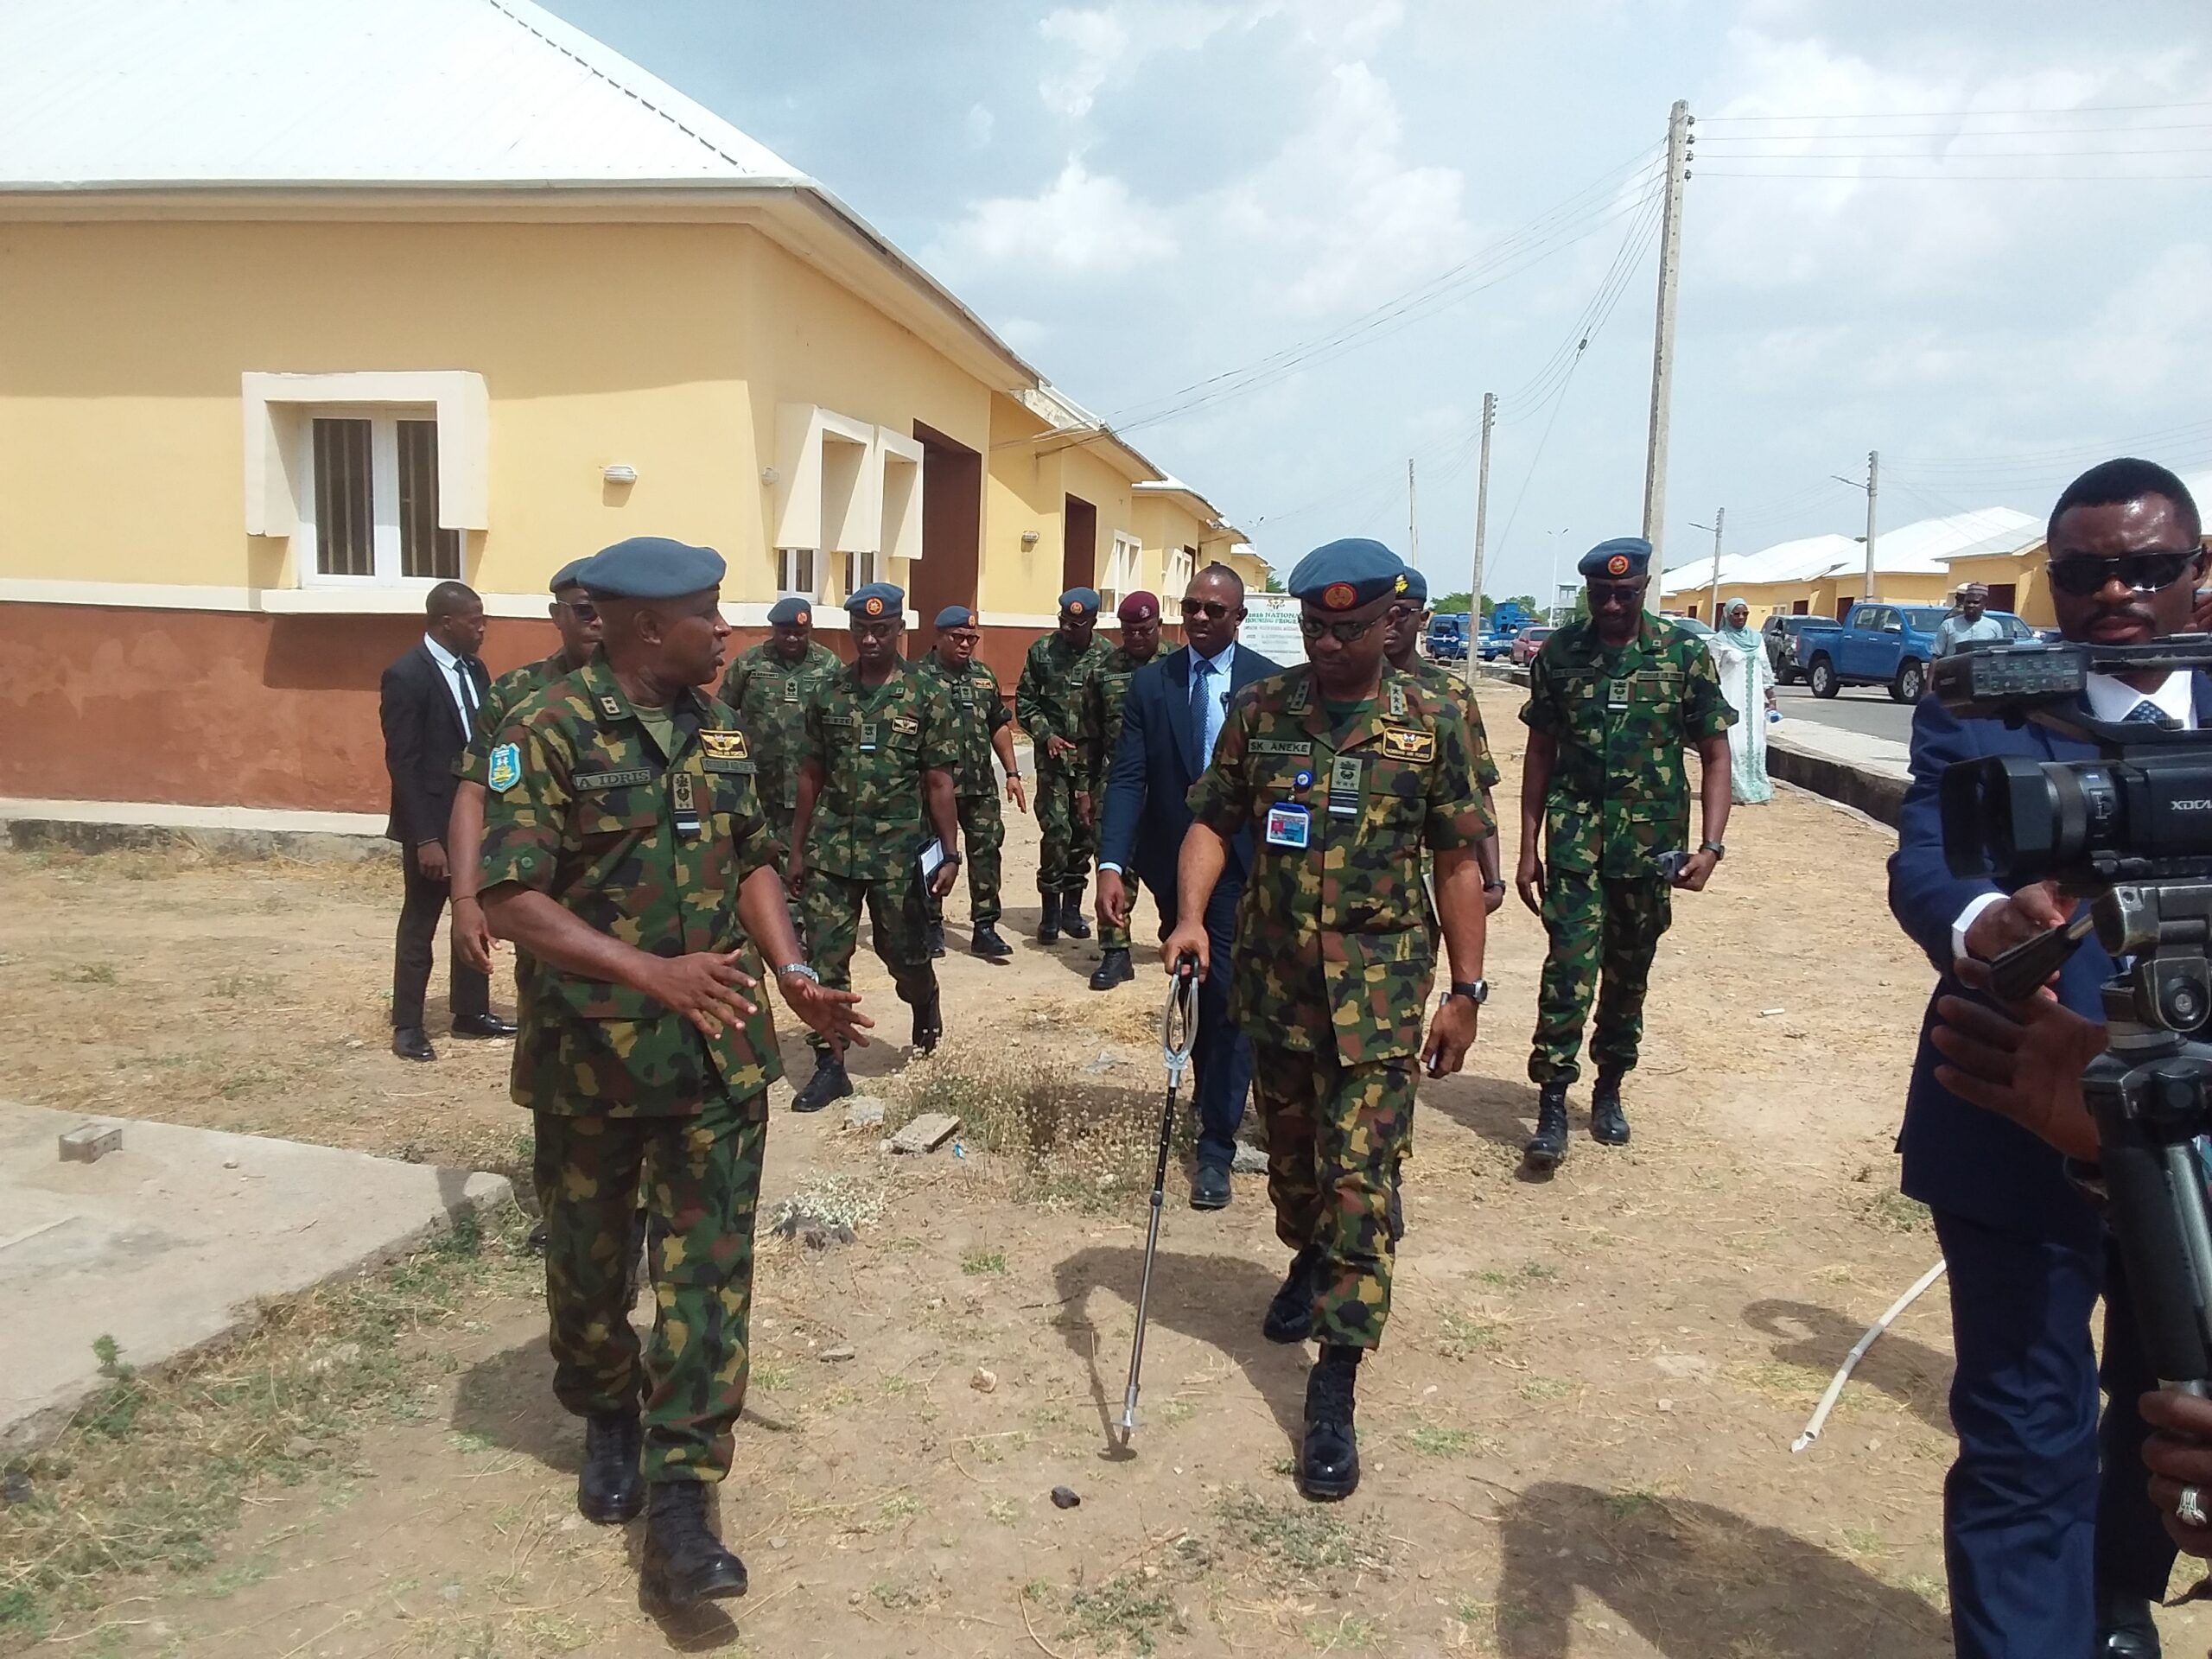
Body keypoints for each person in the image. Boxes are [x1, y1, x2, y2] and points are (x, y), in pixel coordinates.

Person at [476, 536, 869, 1609]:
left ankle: (686, 1500)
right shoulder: (545, 730)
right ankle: (609, 1411)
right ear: (649, 627)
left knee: (708, 1273)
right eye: (708, 612)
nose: (726, 627)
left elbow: (751, 857)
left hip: (717, 1053)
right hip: (593, 1060)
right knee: (590, 1269)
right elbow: (509, 898)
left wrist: (793, 971)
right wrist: (649, 972)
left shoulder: (721, 727)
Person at [1890, 458, 2207, 1659]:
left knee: (2167, 1411)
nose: (2115, 592)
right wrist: (1985, 925)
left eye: (2147, 567)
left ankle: (2117, 1604)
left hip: (2194, 1128)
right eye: (2082, 574)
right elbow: (1928, 854)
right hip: (2014, 1106)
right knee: (2026, 1435)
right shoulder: (1984, 700)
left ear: (2198, 573)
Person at [1164, 538, 1492, 1500]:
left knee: (1359, 1185)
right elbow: (1210, 820)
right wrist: (1190, 917)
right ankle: (1308, 1252)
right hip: (1278, 988)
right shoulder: (1262, 711)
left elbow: (1457, 860)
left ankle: (1334, 1385)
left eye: (1347, 629)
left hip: (1381, 998)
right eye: (1314, 627)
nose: (1328, 644)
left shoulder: (1434, 717)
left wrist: (1465, 991)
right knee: (1297, 1179)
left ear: (1389, 624)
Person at [1516, 538, 1733, 1170]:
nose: (1611, 605)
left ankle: (1609, 1087)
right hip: (1575, 844)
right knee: (1567, 973)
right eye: (1600, 594)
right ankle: (1552, 1103)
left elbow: (1715, 753)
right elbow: (1540, 754)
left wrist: (1711, 846)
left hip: (1649, 849)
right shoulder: (1561, 654)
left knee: (1628, 976)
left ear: (1643, 589)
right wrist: (1528, 847)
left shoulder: (1683, 654)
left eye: (1624, 593)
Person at [1097, 565, 1275, 1207]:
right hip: (1173, 864)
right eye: (1192, 606)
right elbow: (1129, 777)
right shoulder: (1154, 683)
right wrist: (1111, 864)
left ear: (1238, 618)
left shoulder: (1268, 685)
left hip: (1243, 865)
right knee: (1194, 986)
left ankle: (1216, 1147)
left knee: (1226, 992)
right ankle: (1212, 1089)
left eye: (1214, 610)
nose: (1199, 618)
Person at [787, 582, 963, 1113]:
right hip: (831, 850)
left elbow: (938, 781)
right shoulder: (828, 693)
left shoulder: (927, 695)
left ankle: (924, 1002)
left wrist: (950, 853)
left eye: (880, 630)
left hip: (897, 855)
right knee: (825, 957)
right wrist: (796, 848)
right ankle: (830, 1063)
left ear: (899, 630)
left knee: (903, 954)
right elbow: (810, 774)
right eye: (861, 630)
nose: (869, 639)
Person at [448, 559, 605, 977]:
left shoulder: (654, 692)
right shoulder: (517, 694)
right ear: (557, 615)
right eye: (585, 610)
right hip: (547, 914)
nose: (599, 622)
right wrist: (464, 898)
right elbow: (474, 791)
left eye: (609, 610)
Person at [379, 580, 511, 1063]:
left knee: (473, 910)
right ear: (446, 623)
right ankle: (409, 1025)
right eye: (475, 621)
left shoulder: (475, 669)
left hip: (474, 817)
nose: (482, 629)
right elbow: (403, 763)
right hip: (433, 823)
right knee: (421, 920)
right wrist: (426, 839)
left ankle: (471, 1011)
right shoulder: (406, 675)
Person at [1382, 566, 1506, 907]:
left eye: (1402, 613)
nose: (1390, 624)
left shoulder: (1452, 694)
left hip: (1432, 874)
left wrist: (1493, 880)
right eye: (1382, 613)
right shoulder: (1348, 689)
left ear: (1423, 619)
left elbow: (1478, 790)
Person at [918, 604, 1026, 961]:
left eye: (971, 638)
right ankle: (931, 925)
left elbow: (999, 725)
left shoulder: (983, 676)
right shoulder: (916, 678)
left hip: (979, 786)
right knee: (932, 854)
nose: (965, 644)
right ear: (939, 637)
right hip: (934, 788)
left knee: (987, 852)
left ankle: (985, 927)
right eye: (958, 637)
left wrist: (1012, 773)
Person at [1079, 591, 1166, 989]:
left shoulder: (1179, 665)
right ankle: (1115, 951)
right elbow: (1089, 737)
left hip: (1170, 783)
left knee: (1174, 863)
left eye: (1144, 630)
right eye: (1129, 631)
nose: (1136, 637)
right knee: (1115, 864)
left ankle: (1175, 931)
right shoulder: (1104, 672)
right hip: (1118, 782)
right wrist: (1084, 790)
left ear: (1159, 625)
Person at [715, 594, 842, 860]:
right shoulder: (749, 663)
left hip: (810, 780)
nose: (793, 639)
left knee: (806, 855)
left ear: (810, 630)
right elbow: (721, 714)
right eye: (786, 632)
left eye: (800, 633)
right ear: (773, 630)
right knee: (758, 852)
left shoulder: (829, 665)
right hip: (760, 780)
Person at [1016, 588, 1110, 944]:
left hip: (1090, 763)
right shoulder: (1042, 651)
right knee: (1056, 832)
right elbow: (1025, 702)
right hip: (1053, 761)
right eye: (1063, 621)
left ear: (1093, 622)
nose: (1067, 628)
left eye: (1076, 624)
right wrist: (1046, 735)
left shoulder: (1107, 656)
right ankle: (1050, 911)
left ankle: (1073, 908)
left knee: (1083, 835)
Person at [1707, 598, 1777, 805]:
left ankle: (1757, 788)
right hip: (1731, 700)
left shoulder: (1756, 639)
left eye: (1744, 614)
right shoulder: (1719, 641)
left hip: (1754, 703)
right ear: (1727, 616)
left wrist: (1771, 697)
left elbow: (1765, 668)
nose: (1740, 617)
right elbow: (1711, 674)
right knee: (1733, 744)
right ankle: (1734, 791)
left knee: (1755, 742)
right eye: (1736, 614)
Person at [1936, 582, 2008, 657]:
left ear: (1985, 605)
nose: (1971, 605)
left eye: (1976, 602)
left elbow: (1999, 655)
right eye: (1968, 602)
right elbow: (1936, 655)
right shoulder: (1948, 625)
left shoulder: (1995, 627)